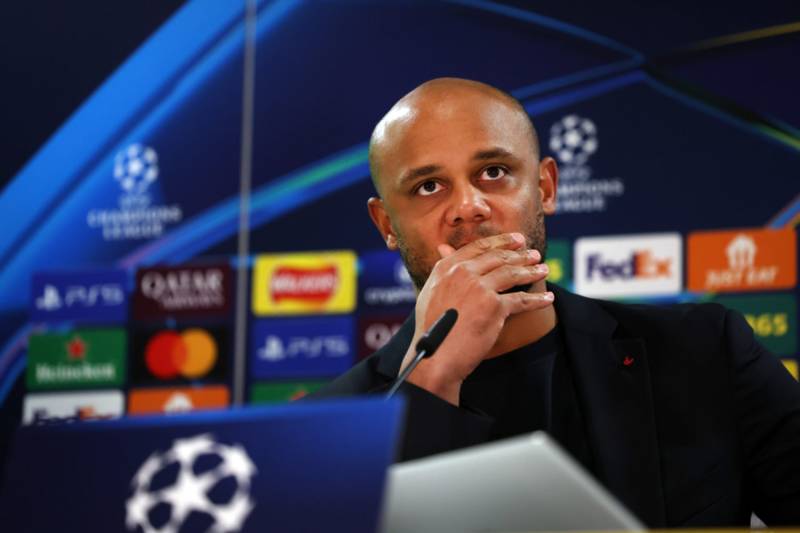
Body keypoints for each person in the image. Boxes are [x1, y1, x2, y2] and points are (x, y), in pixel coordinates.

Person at [312, 78, 800, 527]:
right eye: (429, 186)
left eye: (494, 172)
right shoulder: (326, 428)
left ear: (545, 187)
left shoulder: (707, 351)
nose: (468, 207)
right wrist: (433, 377)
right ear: (387, 225)